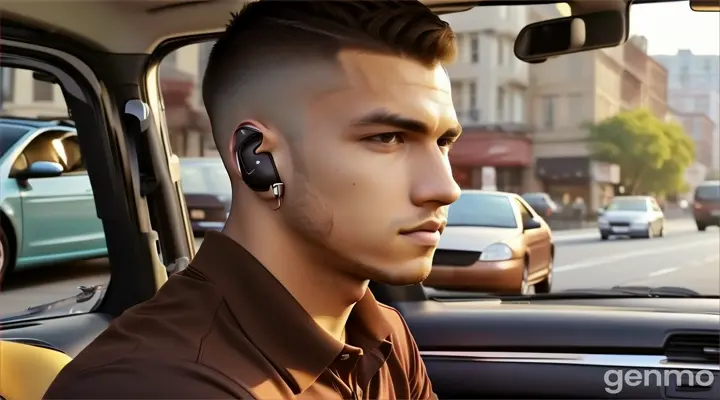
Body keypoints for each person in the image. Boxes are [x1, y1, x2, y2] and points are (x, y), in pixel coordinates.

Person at [44, 0, 461, 398]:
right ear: (258, 159)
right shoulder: (157, 384)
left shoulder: (381, 331)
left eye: (444, 142)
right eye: (387, 138)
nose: (445, 188)